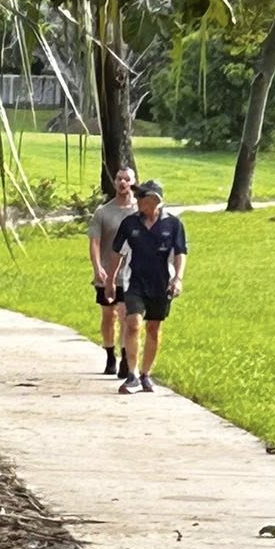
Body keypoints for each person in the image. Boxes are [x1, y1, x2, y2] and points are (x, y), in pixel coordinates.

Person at [104, 178, 188, 396]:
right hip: (134, 282)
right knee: (133, 323)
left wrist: (177, 278)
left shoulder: (173, 224)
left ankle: (146, 374)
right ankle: (131, 375)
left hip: (161, 284)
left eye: (141, 196)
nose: (137, 199)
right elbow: (117, 253)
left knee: (153, 328)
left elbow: (180, 253)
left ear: (154, 200)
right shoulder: (130, 224)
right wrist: (110, 280)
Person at [88, 164, 138, 379]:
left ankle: (126, 358)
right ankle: (110, 355)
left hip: (131, 275)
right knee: (109, 316)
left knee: (126, 315)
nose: (122, 182)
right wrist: (98, 267)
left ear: (133, 182)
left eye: (127, 179)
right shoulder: (103, 212)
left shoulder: (139, 210)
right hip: (107, 274)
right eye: (119, 178)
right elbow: (95, 243)